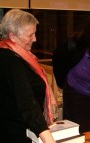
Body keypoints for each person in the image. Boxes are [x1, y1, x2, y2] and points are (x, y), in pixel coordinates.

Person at [0, 9, 58, 143]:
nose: (35, 39)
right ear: (12, 36)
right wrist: (48, 139)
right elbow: (26, 101)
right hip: (13, 133)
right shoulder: (11, 61)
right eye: (30, 35)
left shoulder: (12, 55)